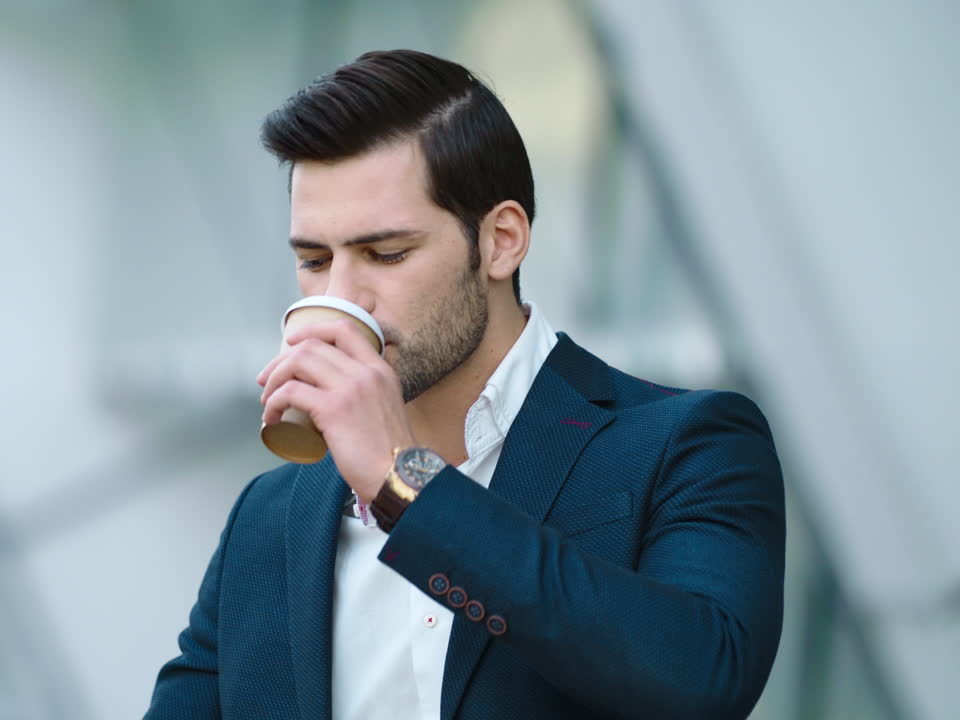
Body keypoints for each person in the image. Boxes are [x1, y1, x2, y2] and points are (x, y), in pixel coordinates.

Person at [145, 49, 784, 719]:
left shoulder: (686, 445)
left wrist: (406, 486)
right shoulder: (271, 514)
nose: (342, 297)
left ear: (502, 240)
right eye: (313, 260)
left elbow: (702, 682)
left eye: (386, 254)